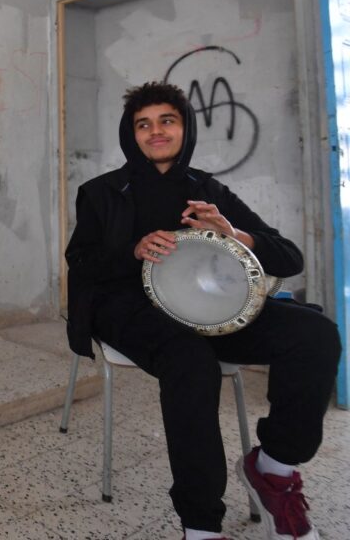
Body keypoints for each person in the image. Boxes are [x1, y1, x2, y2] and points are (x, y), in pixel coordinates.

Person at [65, 82, 341, 540]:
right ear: (130, 133)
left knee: (314, 334)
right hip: (126, 308)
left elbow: (289, 257)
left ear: (184, 128)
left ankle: (272, 470)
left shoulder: (206, 190)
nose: (156, 131)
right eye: (144, 124)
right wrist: (132, 250)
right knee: (190, 360)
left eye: (166, 121)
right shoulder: (101, 192)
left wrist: (236, 234)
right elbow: (82, 263)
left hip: (209, 308)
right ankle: (201, 525)